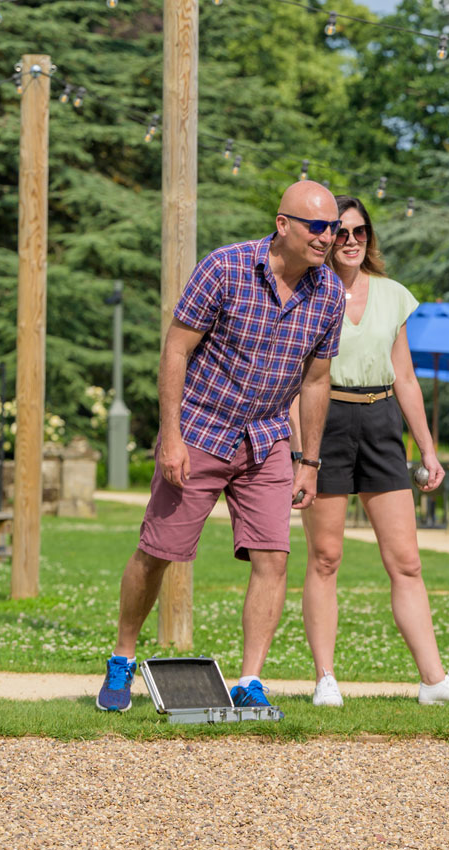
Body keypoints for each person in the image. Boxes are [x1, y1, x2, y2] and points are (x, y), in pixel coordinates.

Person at [96, 182, 344, 713]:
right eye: (318, 227)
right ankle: (122, 658)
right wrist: (172, 436)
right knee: (157, 552)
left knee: (273, 559)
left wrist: (309, 461)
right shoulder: (225, 267)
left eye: (335, 229)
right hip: (201, 429)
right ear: (284, 225)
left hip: (269, 437)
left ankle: (250, 681)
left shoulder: (329, 295)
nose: (329, 237)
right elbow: (176, 348)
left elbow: (317, 381)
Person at [290, 195, 449, 709]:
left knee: (406, 561)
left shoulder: (395, 295)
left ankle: (433, 680)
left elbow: (404, 376)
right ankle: (326, 678)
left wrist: (428, 449)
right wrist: (299, 450)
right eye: (341, 232)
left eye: (360, 232)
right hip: (325, 422)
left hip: (381, 424)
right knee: (326, 557)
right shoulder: (307, 294)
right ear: (328, 238)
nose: (351, 240)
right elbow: (296, 381)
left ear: (368, 239)